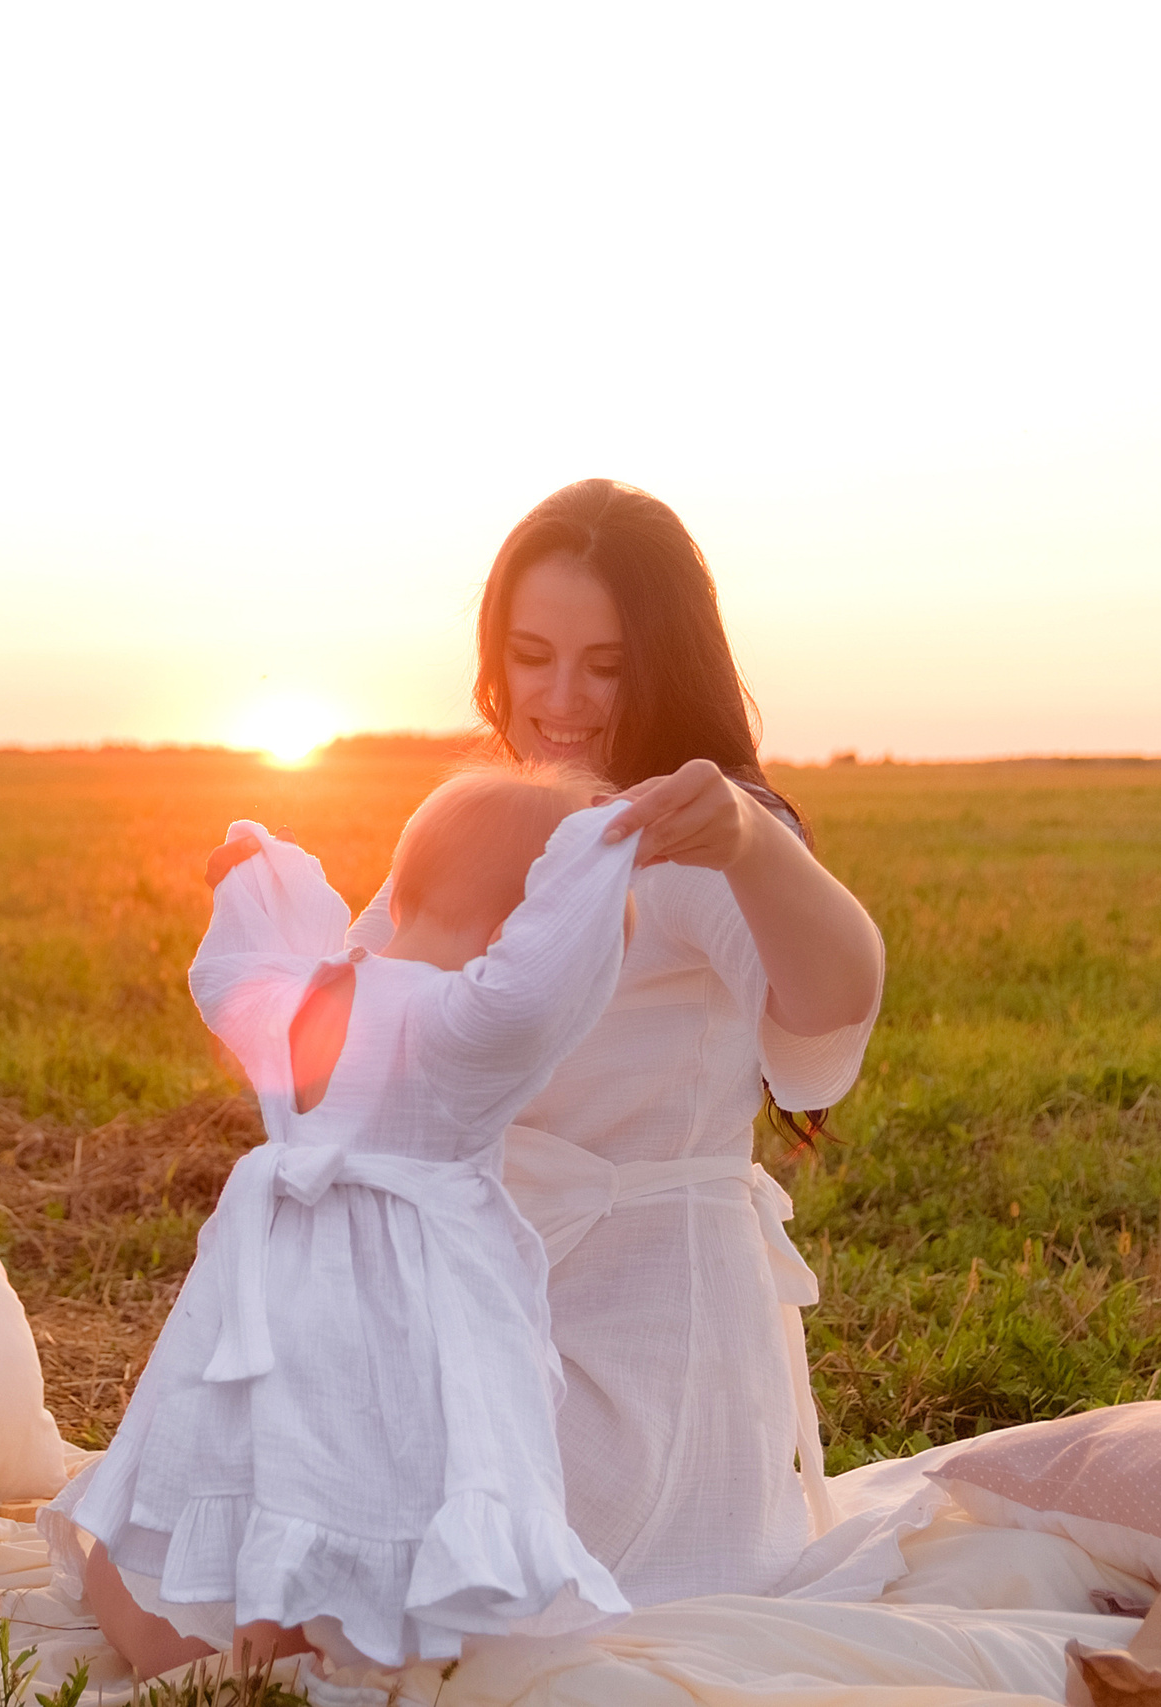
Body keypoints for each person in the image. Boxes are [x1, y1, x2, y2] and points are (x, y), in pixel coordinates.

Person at [342, 478, 887, 1607]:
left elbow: (833, 1013)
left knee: (351, 1563)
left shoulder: (693, 829)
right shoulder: (507, 817)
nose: (560, 700)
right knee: (213, 1510)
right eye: (532, 656)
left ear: (666, 662)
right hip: (483, 1309)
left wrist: (751, 847)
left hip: (641, 1361)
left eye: (606, 664)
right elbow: (360, 1013)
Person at [50, 767, 643, 1675]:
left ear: (400, 892)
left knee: (265, 1468)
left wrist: (259, 872)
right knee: (381, 1481)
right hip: (403, 1318)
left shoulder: (299, 996)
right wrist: (600, 856)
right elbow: (539, 989)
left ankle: (193, 1611)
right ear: (512, 931)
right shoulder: (463, 1026)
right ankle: (305, 1644)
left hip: (272, 1295)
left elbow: (235, 967)